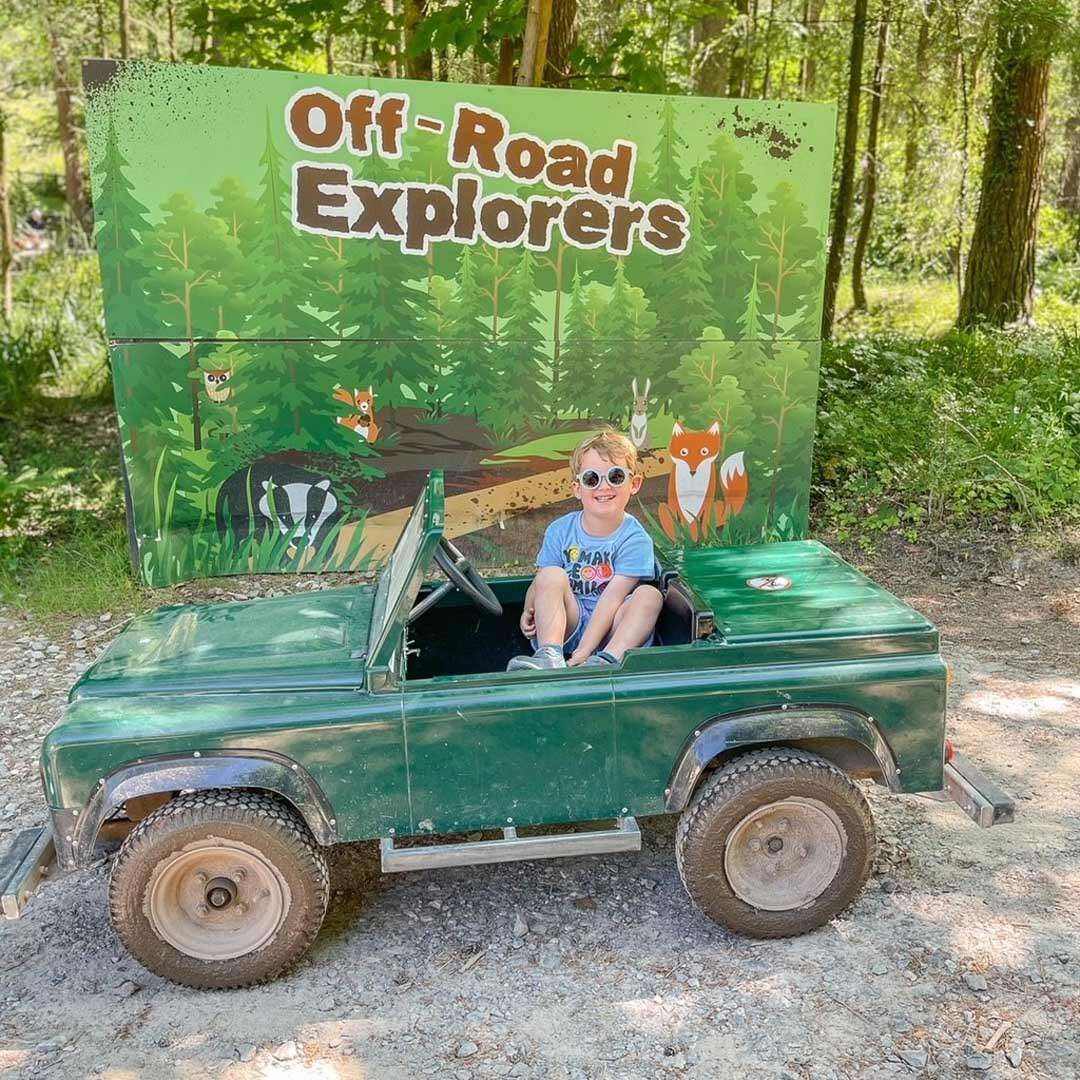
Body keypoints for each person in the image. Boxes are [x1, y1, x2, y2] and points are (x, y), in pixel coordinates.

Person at [507, 430, 663, 671]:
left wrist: (584, 651)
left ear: (634, 484)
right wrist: (528, 610)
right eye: (592, 479)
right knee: (551, 574)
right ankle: (550, 655)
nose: (604, 486)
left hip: (613, 627)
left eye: (616, 476)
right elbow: (541, 581)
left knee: (649, 596)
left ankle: (606, 661)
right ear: (577, 488)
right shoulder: (560, 530)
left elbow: (612, 599)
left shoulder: (635, 539)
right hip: (569, 621)